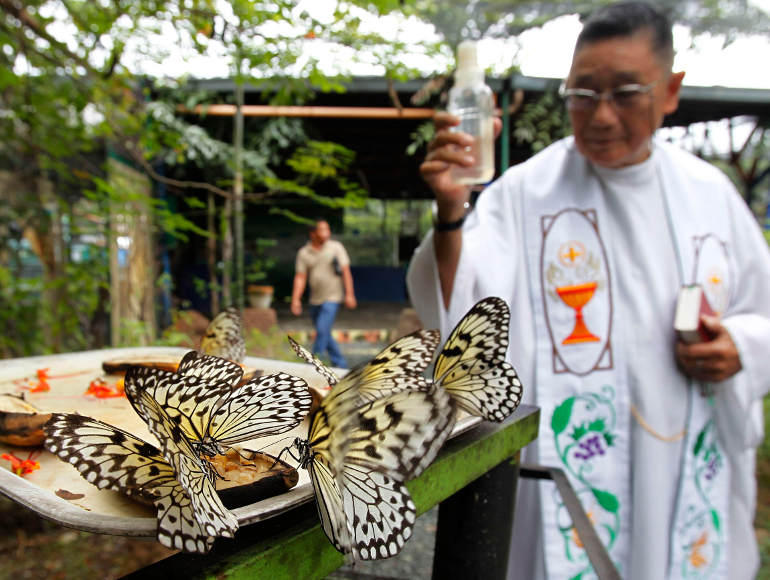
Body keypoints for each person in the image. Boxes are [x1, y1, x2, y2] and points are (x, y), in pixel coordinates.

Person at [406, 2, 770, 579]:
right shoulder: (525, 194)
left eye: (625, 92)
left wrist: (740, 347)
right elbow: (461, 305)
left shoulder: (711, 196)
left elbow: (762, 313)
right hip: (569, 470)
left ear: (671, 90)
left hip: (678, 461)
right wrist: (452, 210)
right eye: (581, 94)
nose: (600, 116)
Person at [291, 219, 357, 368]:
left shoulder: (336, 247)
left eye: (327, 230)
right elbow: (300, 277)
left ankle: (313, 364)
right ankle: (340, 364)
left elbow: (346, 271)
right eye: (322, 230)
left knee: (322, 329)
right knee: (324, 332)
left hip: (333, 297)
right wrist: (296, 299)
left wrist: (350, 294)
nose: (326, 233)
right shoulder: (304, 253)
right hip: (315, 299)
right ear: (313, 233)